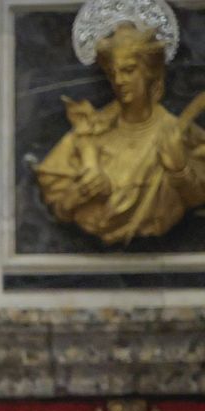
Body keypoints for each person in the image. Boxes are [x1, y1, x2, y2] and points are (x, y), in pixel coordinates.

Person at [34, 23, 205, 245]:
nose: (119, 81)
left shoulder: (180, 135)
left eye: (129, 70)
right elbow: (58, 205)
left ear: (150, 72)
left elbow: (197, 199)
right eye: (112, 72)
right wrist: (78, 195)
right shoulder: (88, 134)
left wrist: (179, 170)